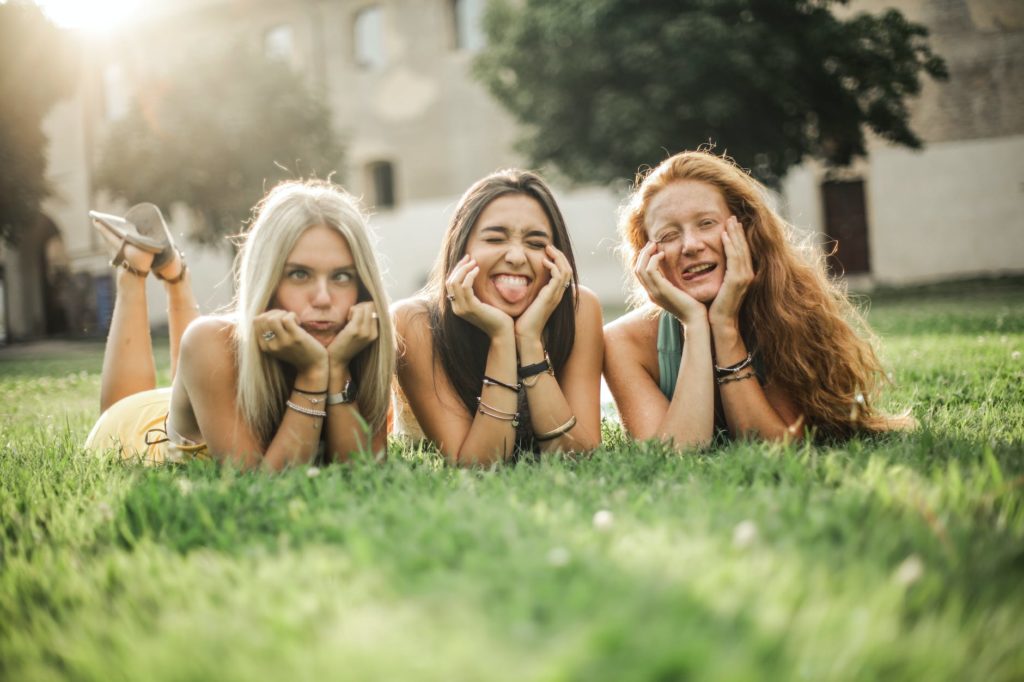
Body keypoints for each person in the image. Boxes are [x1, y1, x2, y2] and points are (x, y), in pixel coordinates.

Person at [604, 150, 911, 448]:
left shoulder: (787, 307)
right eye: (668, 235)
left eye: (706, 223)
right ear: (648, 256)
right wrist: (695, 324)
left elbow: (776, 445)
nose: (691, 245)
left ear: (746, 228)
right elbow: (673, 452)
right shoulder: (623, 342)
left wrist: (724, 326)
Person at [85, 180, 395, 470]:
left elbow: (361, 470)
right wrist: (313, 375)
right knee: (191, 352)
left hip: (205, 397)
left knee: (201, 362)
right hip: (135, 429)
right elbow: (264, 487)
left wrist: (338, 367)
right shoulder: (210, 341)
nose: (324, 299)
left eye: (341, 276)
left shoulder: (364, 340)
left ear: (363, 286)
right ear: (268, 279)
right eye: (299, 274)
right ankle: (135, 268)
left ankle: (175, 273)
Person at [392, 170, 604, 465]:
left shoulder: (579, 310)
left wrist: (529, 339)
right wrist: (502, 338)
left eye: (535, 243)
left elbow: (578, 454)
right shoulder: (415, 322)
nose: (517, 257)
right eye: (494, 239)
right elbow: (479, 464)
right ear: (460, 247)